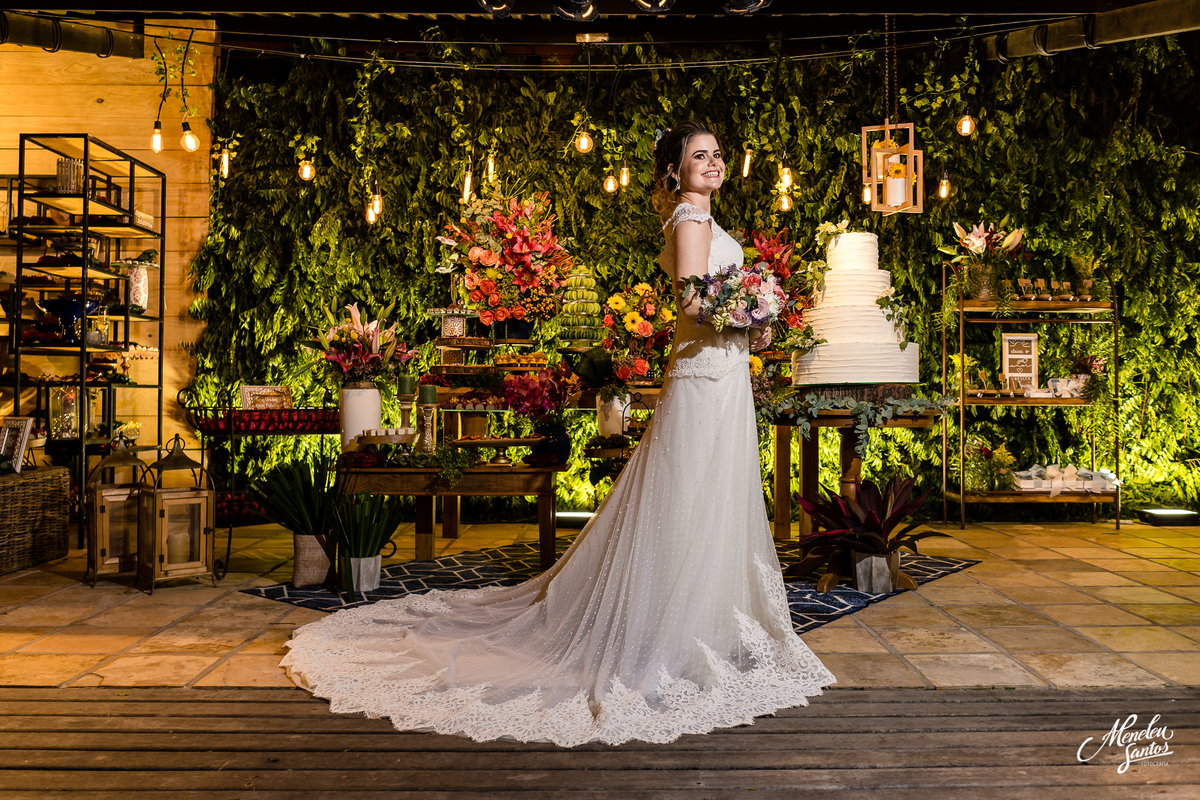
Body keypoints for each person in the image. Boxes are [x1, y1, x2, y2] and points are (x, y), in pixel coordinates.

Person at [282, 120, 835, 747]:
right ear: (674, 173)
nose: (712, 163)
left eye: (717, 154)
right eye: (698, 156)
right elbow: (689, 302)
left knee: (707, 498)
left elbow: (706, 302)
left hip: (721, 376)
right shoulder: (690, 219)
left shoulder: (699, 220)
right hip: (706, 378)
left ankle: (699, 617)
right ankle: (674, 629)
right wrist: (747, 311)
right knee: (691, 498)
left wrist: (754, 324)